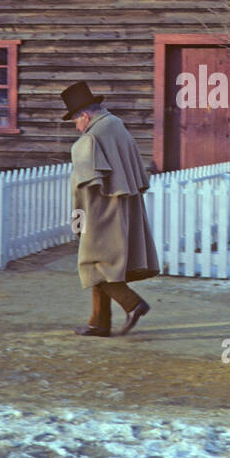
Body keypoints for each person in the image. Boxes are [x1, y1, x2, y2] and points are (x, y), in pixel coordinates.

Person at [60, 81, 160, 337]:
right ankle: (99, 323)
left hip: (99, 213)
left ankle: (133, 304)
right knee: (105, 264)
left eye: (75, 121)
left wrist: (77, 225)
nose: (76, 127)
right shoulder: (118, 127)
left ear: (84, 115)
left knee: (95, 266)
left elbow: (82, 191)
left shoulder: (88, 139)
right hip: (124, 208)